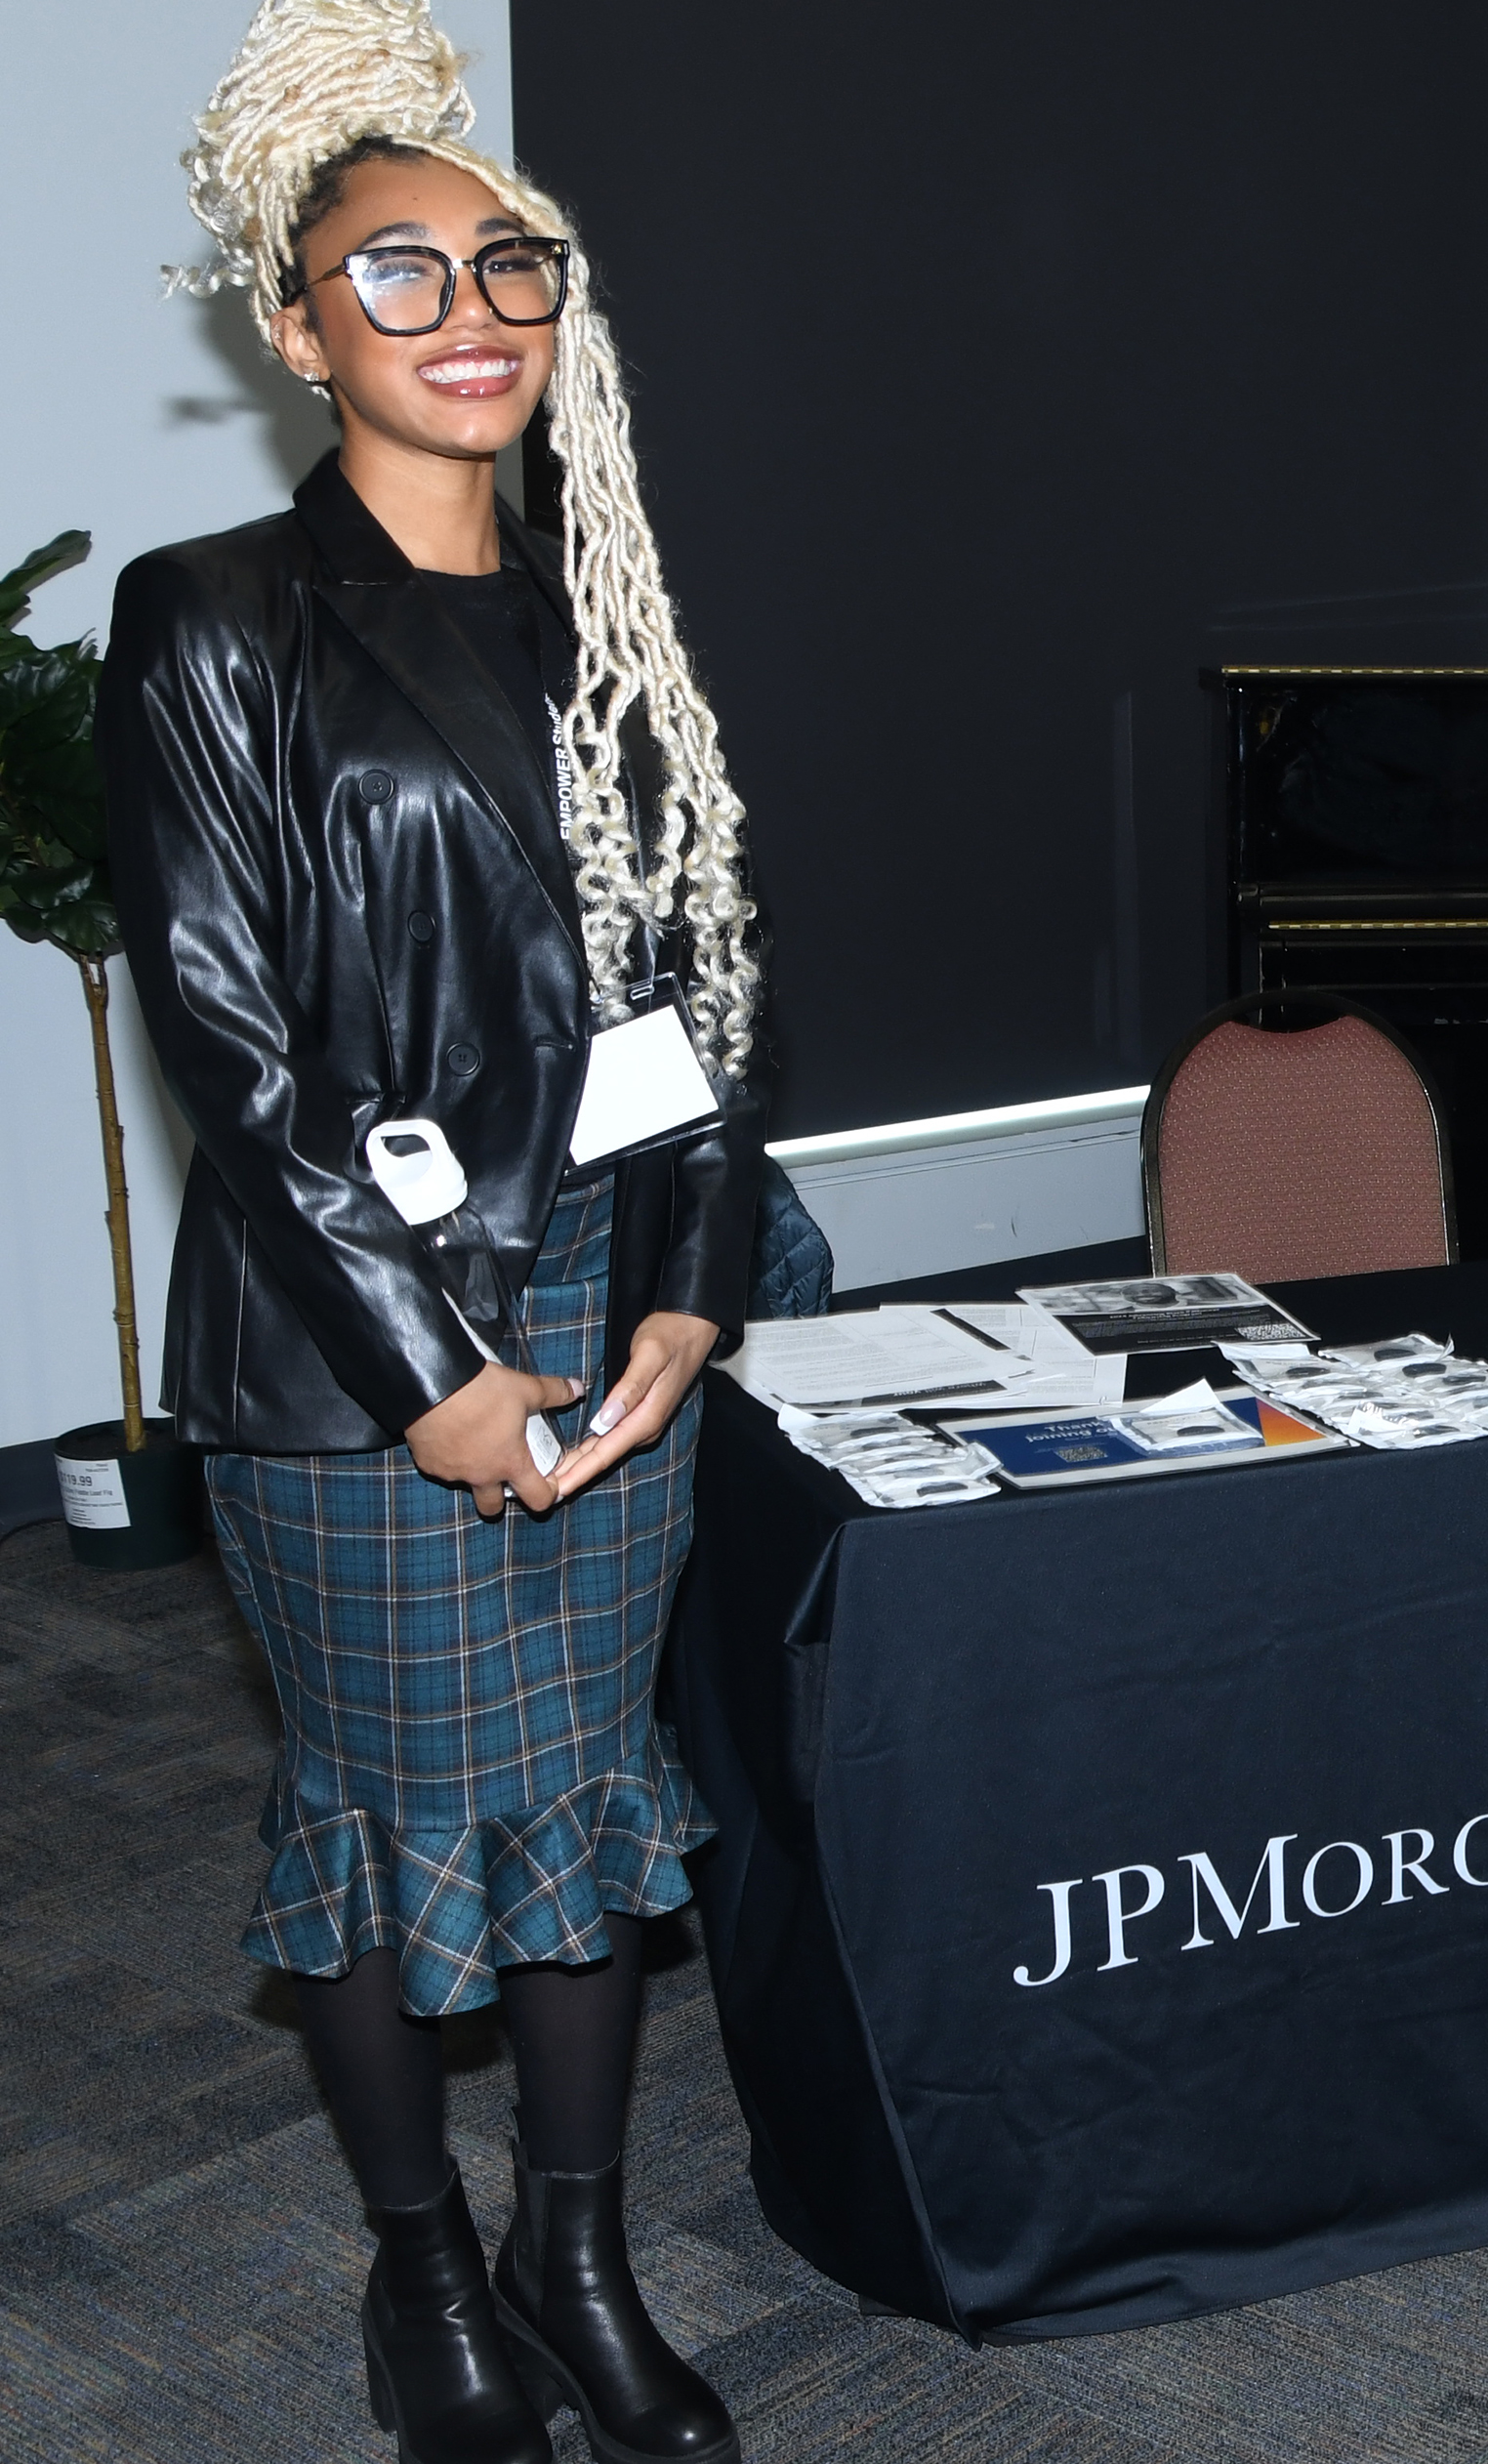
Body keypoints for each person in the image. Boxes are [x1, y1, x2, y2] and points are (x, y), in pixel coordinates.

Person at [102, 5, 758, 2455]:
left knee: (586, 1822)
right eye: (397, 277)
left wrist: (691, 1283)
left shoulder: (619, 617)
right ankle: (426, 2287)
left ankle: (574, 2256)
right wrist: (438, 1373)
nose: (470, 311)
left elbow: (688, 987)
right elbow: (231, 1052)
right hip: (363, 1352)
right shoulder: (213, 617)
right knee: (393, 1832)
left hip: (614, 1307)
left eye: (511, 266)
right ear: (294, 327)